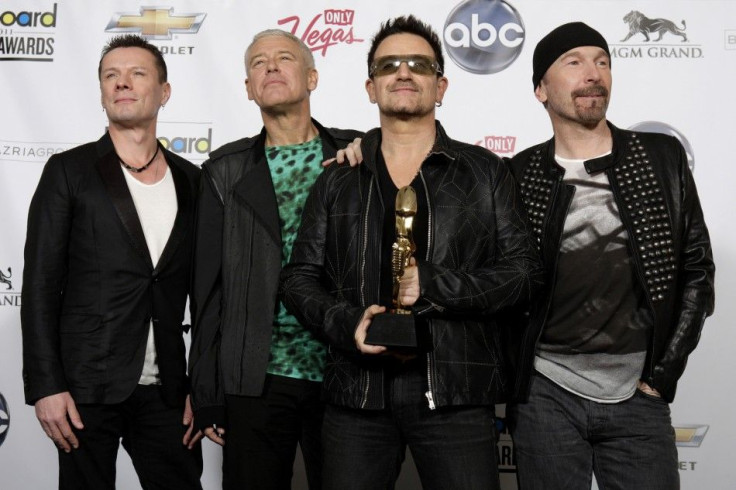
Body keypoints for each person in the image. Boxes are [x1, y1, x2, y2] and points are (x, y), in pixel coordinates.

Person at [281, 15, 542, 490]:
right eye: (389, 66)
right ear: (370, 87)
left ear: (440, 86)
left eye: (418, 65)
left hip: (456, 392)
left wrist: (436, 283)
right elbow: (299, 278)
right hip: (355, 394)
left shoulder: (484, 172)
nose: (403, 73)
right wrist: (347, 323)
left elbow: (524, 273)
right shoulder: (338, 176)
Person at [505, 22, 715, 489]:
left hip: (639, 393)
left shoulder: (661, 158)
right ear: (541, 89)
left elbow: (696, 271)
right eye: (574, 62)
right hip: (546, 392)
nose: (593, 73)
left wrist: (664, 373)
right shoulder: (517, 175)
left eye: (602, 61)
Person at [21, 35, 203, 490]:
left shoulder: (193, 180)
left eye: (137, 73)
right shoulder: (69, 171)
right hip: (85, 387)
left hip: (168, 391)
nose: (122, 83)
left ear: (164, 91)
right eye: (110, 75)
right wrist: (46, 386)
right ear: (102, 92)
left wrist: (203, 388)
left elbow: (208, 294)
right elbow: (41, 284)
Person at [188, 29, 361, 490]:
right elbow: (207, 292)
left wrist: (376, 157)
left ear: (312, 77)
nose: (270, 66)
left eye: (284, 57)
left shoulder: (358, 154)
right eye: (258, 62)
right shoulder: (224, 171)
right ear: (248, 88)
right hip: (257, 375)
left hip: (347, 369)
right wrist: (206, 393)